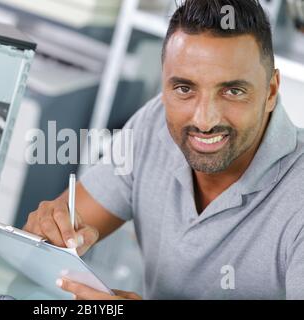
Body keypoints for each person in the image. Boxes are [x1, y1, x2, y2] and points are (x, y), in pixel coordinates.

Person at [23, 0, 304, 299]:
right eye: (184, 89)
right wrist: (47, 233)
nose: (204, 120)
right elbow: (43, 247)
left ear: (271, 91)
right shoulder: (154, 122)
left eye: (232, 91)